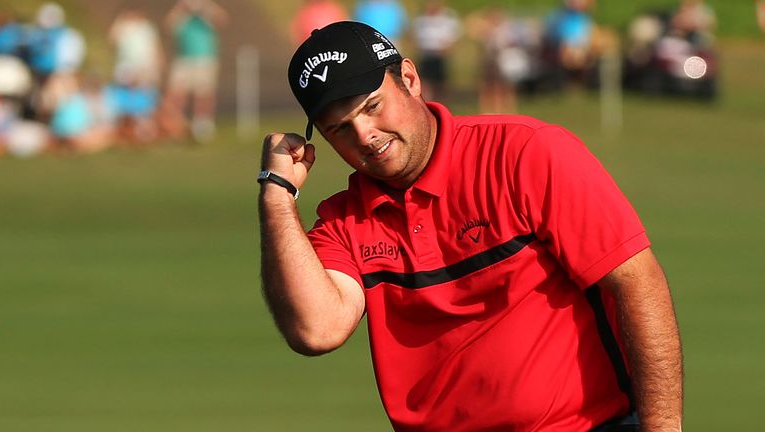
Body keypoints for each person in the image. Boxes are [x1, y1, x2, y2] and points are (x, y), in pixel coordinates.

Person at [259, 21, 683, 431]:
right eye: (340, 129)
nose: (366, 135)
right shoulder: (344, 220)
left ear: (409, 78)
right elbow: (318, 330)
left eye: (372, 106)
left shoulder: (524, 153)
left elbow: (636, 281)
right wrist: (277, 196)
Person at [163, 0, 228, 142]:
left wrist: (204, 9)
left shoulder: (207, 6)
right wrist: (182, 10)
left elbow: (222, 20)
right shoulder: (181, 9)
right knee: (176, 93)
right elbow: (168, 26)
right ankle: (175, 124)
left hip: (205, 57)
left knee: (204, 93)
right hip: (183, 57)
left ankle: (202, 125)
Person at [410, 0, 461, 102]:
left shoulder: (447, 18)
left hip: (439, 56)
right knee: (425, 82)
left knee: (440, 83)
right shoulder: (421, 20)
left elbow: (452, 39)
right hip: (425, 55)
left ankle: (441, 103)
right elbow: (415, 38)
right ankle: (427, 103)